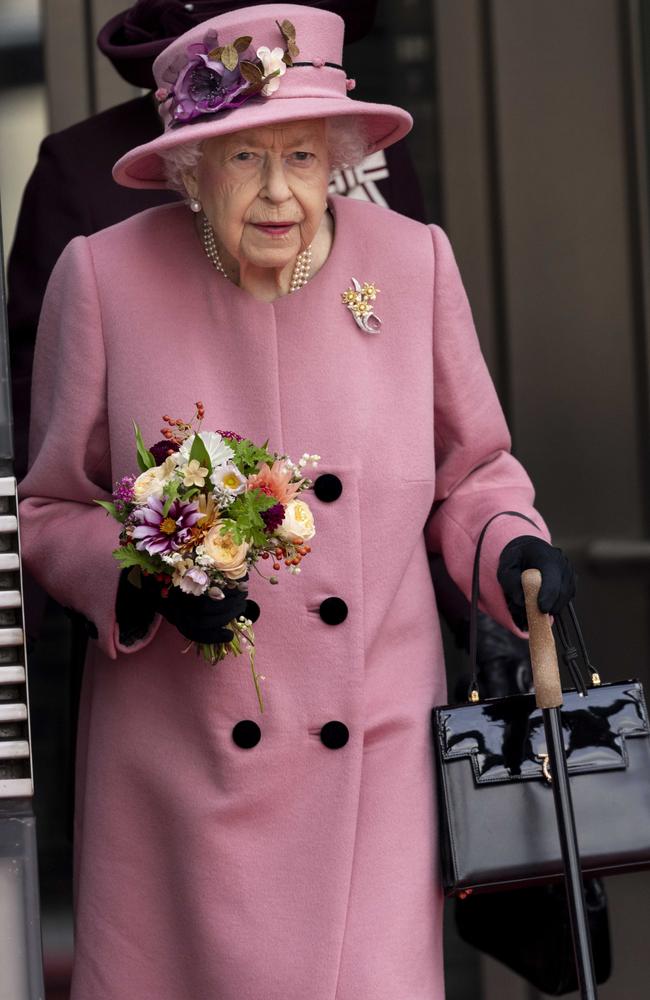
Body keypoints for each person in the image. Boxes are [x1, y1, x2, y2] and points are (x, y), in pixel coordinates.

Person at [18, 5, 575, 998]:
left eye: (303, 157)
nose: (280, 194)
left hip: (370, 755)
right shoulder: (103, 278)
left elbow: (475, 473)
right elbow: (56, 506)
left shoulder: (413, 265)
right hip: (178, 778)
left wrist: (507, 550)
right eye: (243, 160)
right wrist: (139, 581)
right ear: (189, 166)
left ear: (337, 157)